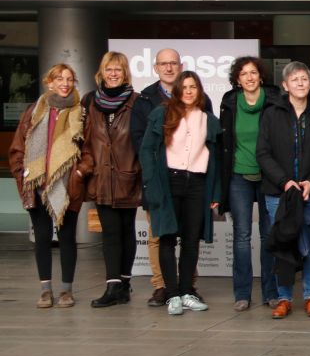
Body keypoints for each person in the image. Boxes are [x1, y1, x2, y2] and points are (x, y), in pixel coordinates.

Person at [131, 47, 213, 307]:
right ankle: (167, 290)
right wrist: (152, 183)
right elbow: (142, 145)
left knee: (190, 239)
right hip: (165, 183)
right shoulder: (150, 103)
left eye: (173, 63)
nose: (188, 91)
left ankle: (187, 289)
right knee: (164, 237)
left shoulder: (206, 113)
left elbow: (214, 151)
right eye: (163, 64)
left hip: (195, 185)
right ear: (156, 67)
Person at [256, 62, 310, 319]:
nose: (300, 83)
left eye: (304, 79)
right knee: (283, 242)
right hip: (279, 192)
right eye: (295, 79)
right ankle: (284, 298)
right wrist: (284, 181)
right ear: (285, 85)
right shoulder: (271, 113)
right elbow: (263, 153)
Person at [9, 64, 84, 308]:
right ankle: (45, 290)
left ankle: (66, 291)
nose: (65, 83)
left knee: (67, 237)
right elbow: (17, 148)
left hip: (67, 183)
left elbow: (90, 149)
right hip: (37, 183)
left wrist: (80, 172)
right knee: (41, 237)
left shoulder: (80, 112)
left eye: (69, 79)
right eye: (59, 78)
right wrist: (23, 175)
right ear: (49, 82)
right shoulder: (34, 111)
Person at [76, 52, 142, 308]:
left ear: (125, 73)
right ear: (101, 72)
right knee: (111, 233)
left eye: (118, 70)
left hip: (129, 176)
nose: (113, 74)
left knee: (127, 232)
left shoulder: (137, 102)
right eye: (108, 69)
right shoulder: (89, 101)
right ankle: (113, 286)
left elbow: (141, 141)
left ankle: (124, 284)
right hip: (101, 177)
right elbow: (82, 139)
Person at [219, 56, 280, 312]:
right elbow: (223, 142)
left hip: (268, 176)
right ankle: (242, 294)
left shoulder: (275, 100)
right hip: (238, 176)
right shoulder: (230, 102)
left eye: (253, 72)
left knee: (269, 235)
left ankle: (271, 293)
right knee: (242, 236)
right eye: (244, 74)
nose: (249, 77)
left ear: (261, 76)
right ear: (237, 79)